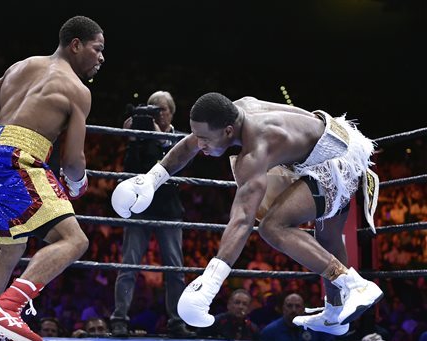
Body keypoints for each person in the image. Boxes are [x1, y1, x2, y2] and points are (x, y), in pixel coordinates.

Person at [111, 92, 383, 336]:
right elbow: (189, 145)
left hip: (334, 161)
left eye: (205, 139)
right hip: (334, 139)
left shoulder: (256, 151)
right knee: (328, 240)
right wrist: (151, 179)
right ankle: (336, 315)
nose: (200, 145)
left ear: (228, 131)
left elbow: (242, 219)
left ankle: (353, 284)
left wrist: (211, 280)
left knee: (272, 227)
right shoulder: (235, 110)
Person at [0, 15, 105, 341]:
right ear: (75, 45)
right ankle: (5, 310)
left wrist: (21, 112)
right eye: (97, 49)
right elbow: (72, 160)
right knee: (74, 240)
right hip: (18, 158)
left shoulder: (21, 65)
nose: (101, 58)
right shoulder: (77, 90)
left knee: (12, 250)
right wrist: (78, 182)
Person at [109, 91, 195, 338]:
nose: (157, 114)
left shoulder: (180, 139)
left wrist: (158, 138)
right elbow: (130, 170)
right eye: (152, 109)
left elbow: (180, 169)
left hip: (169, 211)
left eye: (162, 110)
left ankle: (177, 322)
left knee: (175, 269)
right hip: (140, 210)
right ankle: (120, 319)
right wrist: (136, 139)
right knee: (129, 265)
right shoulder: (143, 135)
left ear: (172, 112)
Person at [260, 293, 335, 340]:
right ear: (283, 309)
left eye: (297, 306)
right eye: (289, 306)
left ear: (303, 309)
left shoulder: (316, 328)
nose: (293, 310)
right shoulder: (269, 332)